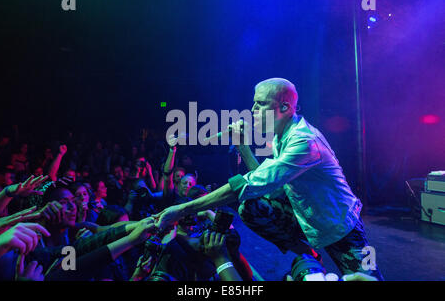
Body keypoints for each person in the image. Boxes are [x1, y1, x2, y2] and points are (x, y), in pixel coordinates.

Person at [154, 77, 383, 280]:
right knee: (250, 207)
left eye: (260, 103)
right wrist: (242, 145)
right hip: (307, 219)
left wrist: (182, 210)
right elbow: (266, 188)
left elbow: (246, 185)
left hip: (342, 225)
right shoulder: (281, 136)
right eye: (253, 102)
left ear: (284, 106)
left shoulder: (303, 141)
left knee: (368, 278)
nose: (252, 108)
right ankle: (306, 254)